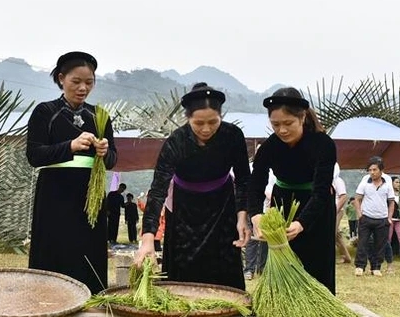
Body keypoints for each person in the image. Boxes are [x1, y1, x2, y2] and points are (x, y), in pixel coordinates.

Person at [134, 82, 250, 290]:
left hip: (222, 207)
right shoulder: (176, 141)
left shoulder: (233, 136)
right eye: (198, 123)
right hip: (184, 211)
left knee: (223, 266)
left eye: (213, 122)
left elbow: (243, 179)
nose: (206, 129)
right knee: (183, 271)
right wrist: (148, 237)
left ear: (221, 116)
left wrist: (242, 217)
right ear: (188, 119)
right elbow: (158, 190)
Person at [26, 51, 116, 293]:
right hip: (54, 192)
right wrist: (70, 147)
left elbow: (112, 160)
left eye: (89, 82)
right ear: (61, 79)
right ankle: (47, 297)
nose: (83, 88)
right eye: (76, 82)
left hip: (90, 195)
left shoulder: (100, 116)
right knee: (54, 246)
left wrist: (105, 151)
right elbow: (34, 155)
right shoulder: (45, 112)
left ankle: (92, 297)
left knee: (89, 248)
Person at [248, 87, 338, 294]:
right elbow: (256, 183)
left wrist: (302, 222)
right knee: (283, 259)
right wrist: (255, 215)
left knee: (316, 263)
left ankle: (319, 305)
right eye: (275, 125)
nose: (282, 130)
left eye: (288, 124)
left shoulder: (323, 144)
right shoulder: (269, 147)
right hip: (282, 204)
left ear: (303, 117)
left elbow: (322, 190)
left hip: (316, 208)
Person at [353, 156, 395, 277]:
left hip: (382, 218)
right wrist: (359, 214)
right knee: (363, 242)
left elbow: (391, 201)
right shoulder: (365, 180)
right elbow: (357, 198)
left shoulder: (387, 181)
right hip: (366, 217)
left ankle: (376, 267)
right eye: (370, 170)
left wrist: (389, 218)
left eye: (374, 169)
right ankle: (360, 266)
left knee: (380, 244)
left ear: (381, 170)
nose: (372, 172)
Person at [243, 147, 274, 281]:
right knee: (252, 239)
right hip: (254, 210)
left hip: (269, 209)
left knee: (266, 240)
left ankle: (262, 268)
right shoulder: (250, 168)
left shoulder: (274, 170)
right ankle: (249, 269)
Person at [333, 163, 352, 264]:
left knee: (332, 232)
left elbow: (343, 197)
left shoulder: (338, 181)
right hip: (327, 211)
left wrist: (334, 210)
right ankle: (347, 256)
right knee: (336, 234)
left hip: (337, 211)